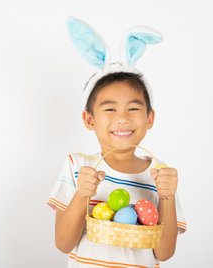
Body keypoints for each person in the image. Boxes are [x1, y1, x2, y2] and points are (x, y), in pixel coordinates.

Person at [46, 17, 187, 268]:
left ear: (149, 118)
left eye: (133, 108)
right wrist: (82, 193)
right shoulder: (77, 166)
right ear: (89, 119)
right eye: (109, 109)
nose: (122, 118)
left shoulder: (160, 174)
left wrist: (167, 197)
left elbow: (163, 253)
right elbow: (63, 243)